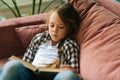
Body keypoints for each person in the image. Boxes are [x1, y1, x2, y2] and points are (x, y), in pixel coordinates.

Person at [0, 3, 81, 80]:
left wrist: (72, 71)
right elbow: (25, 63)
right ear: (48, 24)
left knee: (68, 75)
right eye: (52, 25)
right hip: (31, 77)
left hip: (55, 78)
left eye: (60, 27)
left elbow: (74, 72)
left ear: (69, 28)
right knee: (14, 65)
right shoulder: (39, 39)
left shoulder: (70, 45)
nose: (54, 30)